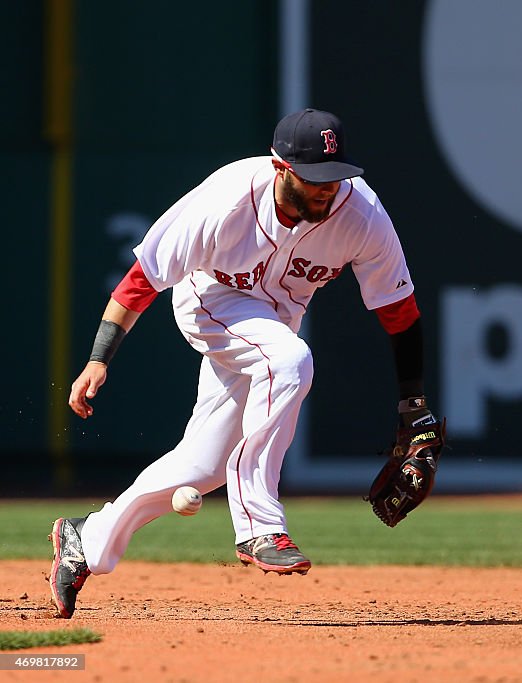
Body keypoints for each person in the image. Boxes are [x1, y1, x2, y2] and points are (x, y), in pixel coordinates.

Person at [49, 108, 440, 619]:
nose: (329, 189)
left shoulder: (360, 214)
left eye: (336, 175)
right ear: (281, 168)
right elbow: (141, 280)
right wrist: (98, 359)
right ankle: (259, 524)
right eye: (315, 178)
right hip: (211, 304)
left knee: (203, 465)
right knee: (291, 361)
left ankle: (86, 539)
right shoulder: (226, 200)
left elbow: (399, 311)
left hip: (273, 325)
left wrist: (414, 403)